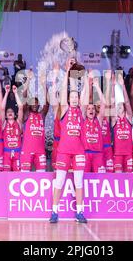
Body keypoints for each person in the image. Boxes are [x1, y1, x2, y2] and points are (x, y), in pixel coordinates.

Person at [50, 58, 87, 223]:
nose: (73, 98)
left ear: (78, 99)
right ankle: (54, 212)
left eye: (75, 97)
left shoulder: (82, 111)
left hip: (78, 151)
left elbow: (86, 92)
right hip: (63, 151)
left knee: (79, 182)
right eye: (71, 96)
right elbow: (63, 90)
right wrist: (66, 71)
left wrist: (85, 78)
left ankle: (79, 212)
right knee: (59, 181)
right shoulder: (64, 109)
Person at [20, 70, 49, 172]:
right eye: (33, 103)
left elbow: (47, 103)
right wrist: (28, 80)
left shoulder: (42, 115)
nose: (35, 105)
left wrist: (44, 85)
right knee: (24, 175)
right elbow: (24, 97)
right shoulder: (26, 114)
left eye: (37, 103)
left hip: (40, 151)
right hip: (27, 151)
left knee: (41, 175)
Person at [81, 70, 106, 173]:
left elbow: (104, 103)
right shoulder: (82, 119)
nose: (91, 110)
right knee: (84, 179)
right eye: (88, 109)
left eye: (93, 109)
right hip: (85, 154)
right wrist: (87, 84)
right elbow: (83, 102)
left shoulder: (98, 120)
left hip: (98, 154)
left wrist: (96, 86)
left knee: (100, 179)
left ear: (96, 111)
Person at [112, 70, 133, 173]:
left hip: (129, 153)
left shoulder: (129, 117)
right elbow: (112, 102)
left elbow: (127, 102)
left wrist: (123, 85)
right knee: (118, 177)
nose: (119, 106)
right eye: (117, 105)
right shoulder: (114, 119)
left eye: (121, 105)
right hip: (117, 154)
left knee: (129, 178)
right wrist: (112, 86)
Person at [2, 85, 23, 171]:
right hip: (6, 153)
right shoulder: (4, 123)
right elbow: (2, 108)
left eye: (12, 111)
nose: (10, 112)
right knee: (5, 176)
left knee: (17, 175)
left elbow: (21, 107)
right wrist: (6, 93)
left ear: (15, 114)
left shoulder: (18, 122)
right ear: (6, 115)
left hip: (17, 152)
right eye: (8, 112)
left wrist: (15, 93)